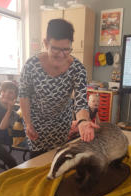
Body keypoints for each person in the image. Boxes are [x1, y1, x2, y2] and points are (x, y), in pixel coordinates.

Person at [19, 19, 98, 158]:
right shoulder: (31, 65)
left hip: (62, 125)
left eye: (66, 49)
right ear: (46, 43)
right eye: (56, 48)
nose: (61, 54)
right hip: (36, 124)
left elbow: (80, 101)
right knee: (37, 162)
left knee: (59, 158)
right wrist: (28, 123)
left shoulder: (78, 69)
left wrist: (83, 121)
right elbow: (24, 95)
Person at [0, 81, 19, 168]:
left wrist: (9, 110)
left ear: (15, 97)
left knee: (13, 163)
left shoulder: (14, 114)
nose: (6, 94)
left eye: (10, 92)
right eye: (4, 91)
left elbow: (2, 127)